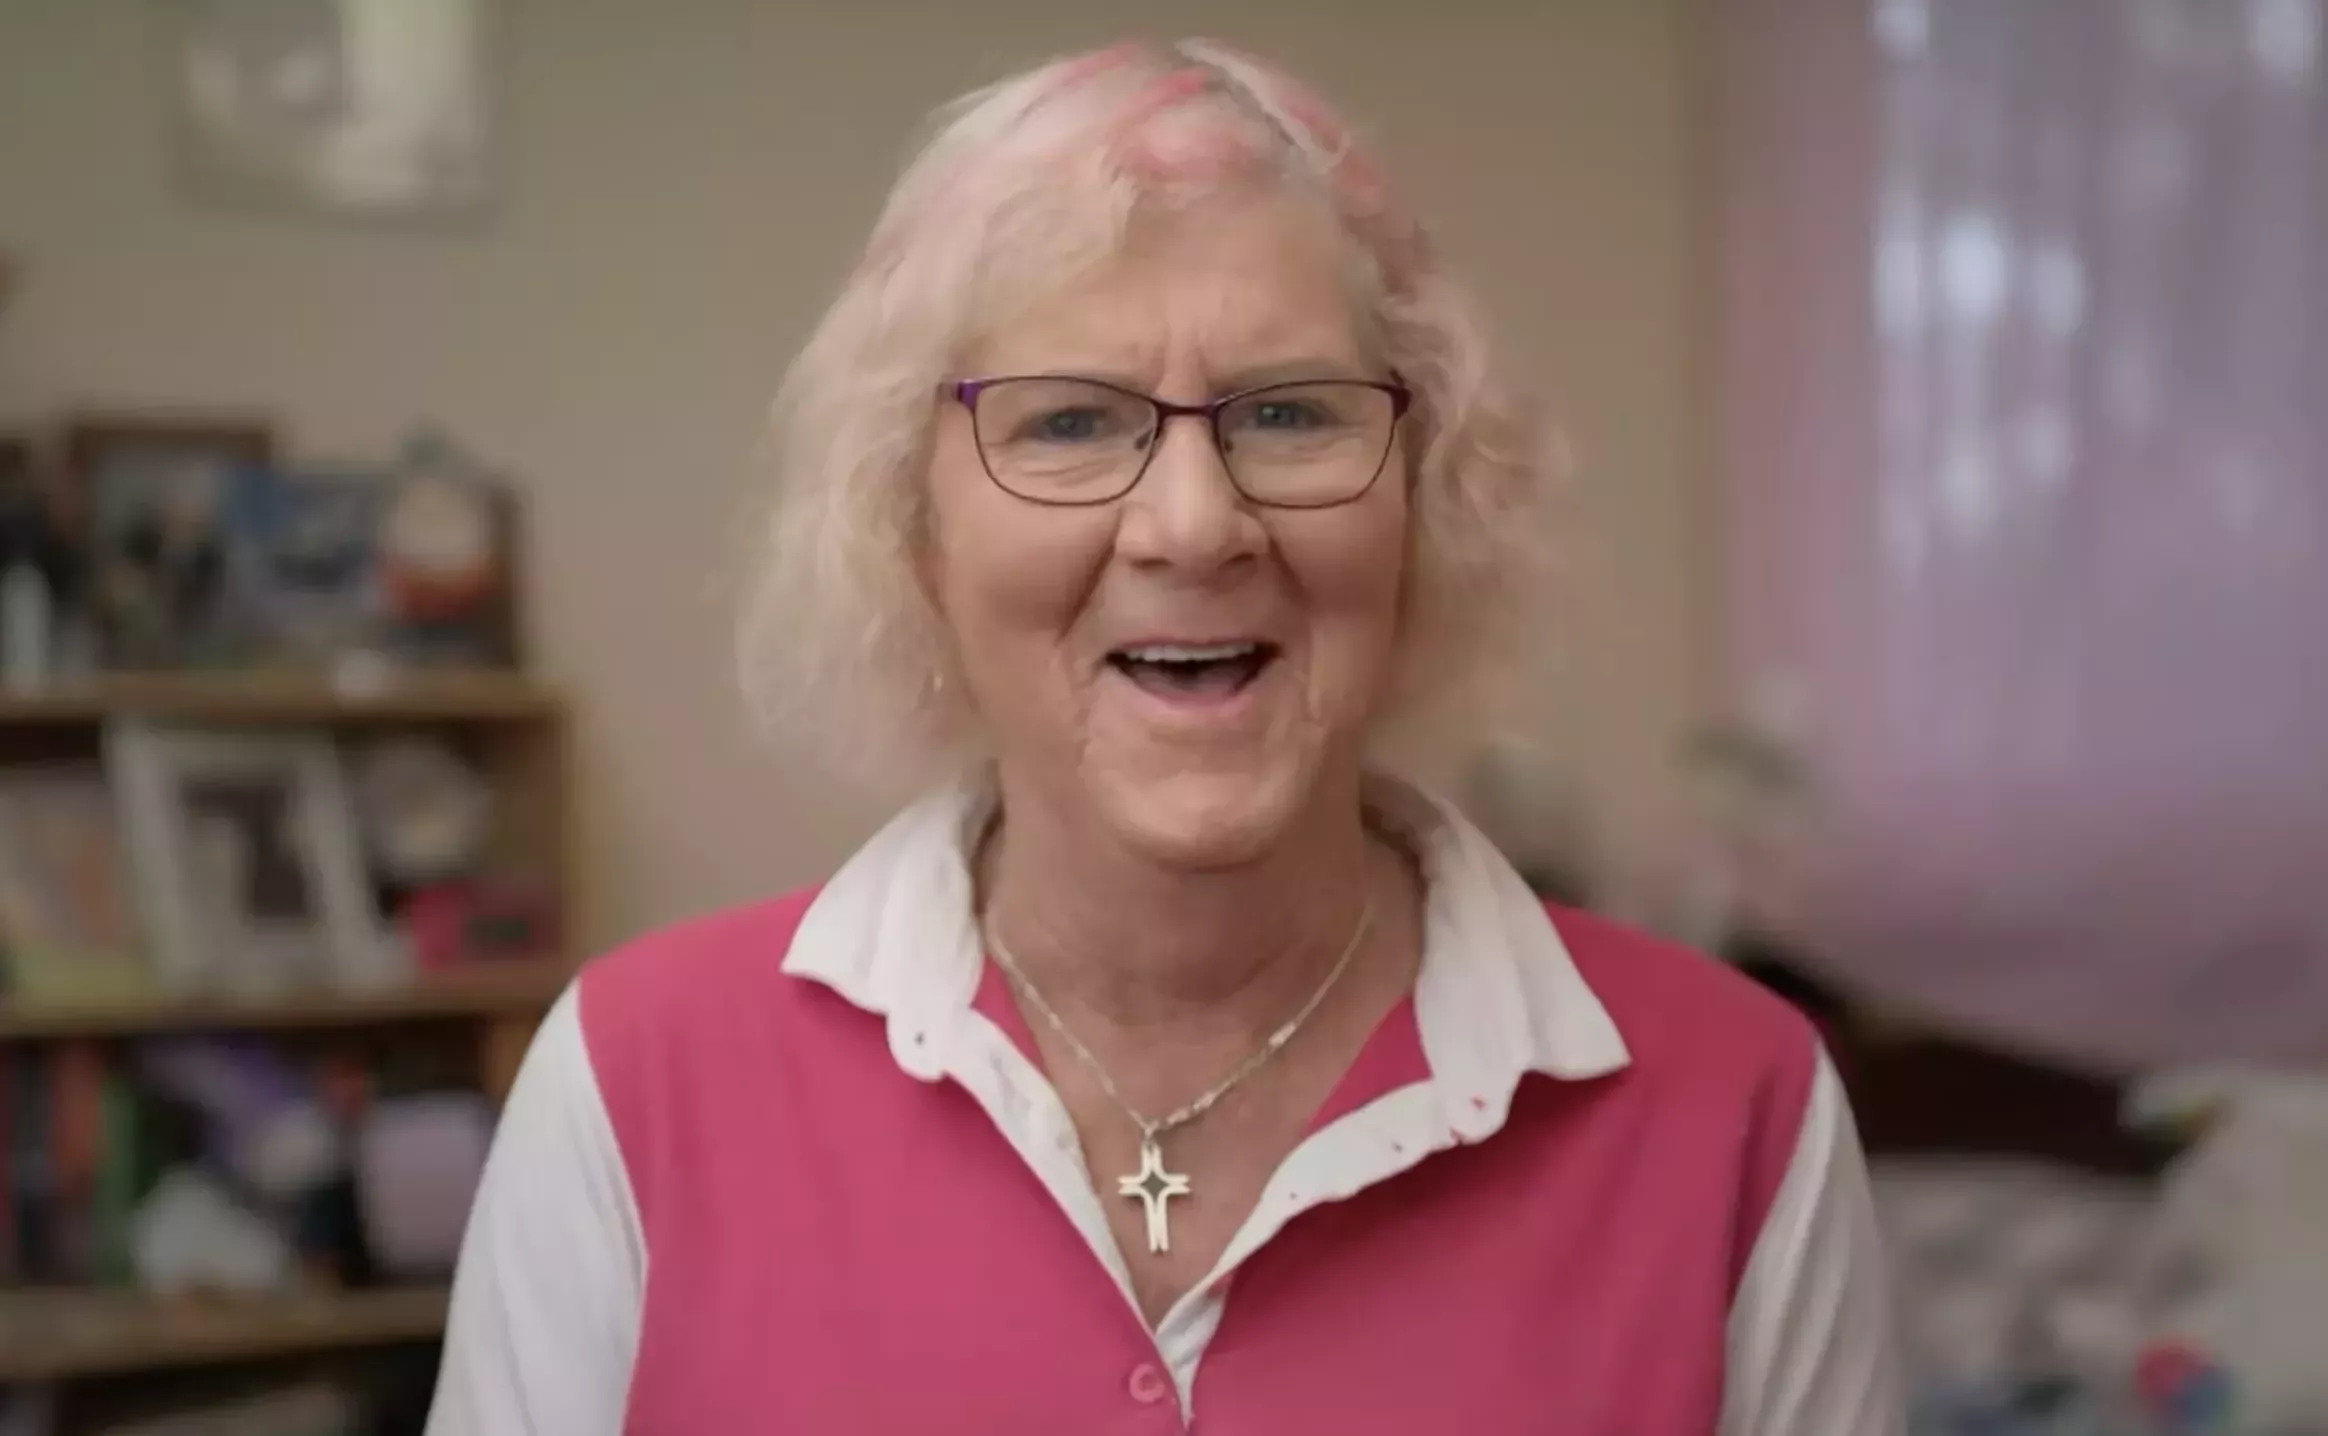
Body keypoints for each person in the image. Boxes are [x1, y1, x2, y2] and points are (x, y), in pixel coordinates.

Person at [425, 39, 1900, 1435]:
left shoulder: (1738, 1114)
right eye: (1068, 424)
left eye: (1288, 414)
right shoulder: (633, 1088)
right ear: (912, 528)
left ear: (1424, 506)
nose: (1195, 525)